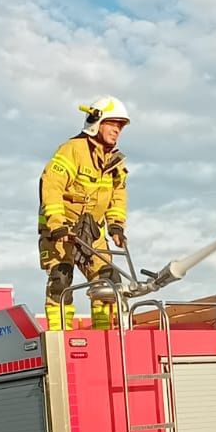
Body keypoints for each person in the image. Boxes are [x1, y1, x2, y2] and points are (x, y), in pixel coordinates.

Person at [38, 96, 130, 331]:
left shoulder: (114, 162)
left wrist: (116, 225)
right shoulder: (72, 150)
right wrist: (57, 224)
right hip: (62, 230)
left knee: (108, 282)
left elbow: (118, 195)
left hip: (93, 232)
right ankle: (59, 336)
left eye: (120, 127)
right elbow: (51, 185)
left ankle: (103, 335)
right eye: (113, 124)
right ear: (95, 121)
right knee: (61, 279)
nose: (117, 131)